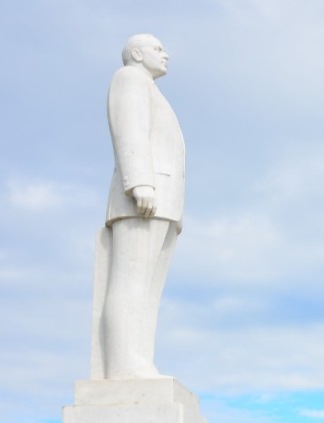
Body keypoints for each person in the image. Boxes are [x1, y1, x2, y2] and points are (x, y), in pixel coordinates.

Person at [92, 33, 186, 380]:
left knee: (147, 290)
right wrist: (140, 182)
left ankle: (139, 359)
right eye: (158, 49)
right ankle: (123, 362)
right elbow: (129, 130)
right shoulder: (129, 79)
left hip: (164, 202)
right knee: (130, 281)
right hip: (143, 196)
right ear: (136, 53)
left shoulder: (150, 88)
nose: (166, 54)